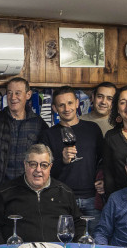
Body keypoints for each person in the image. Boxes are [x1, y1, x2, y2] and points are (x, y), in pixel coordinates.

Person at [0, 144, 85, 244]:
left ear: (50, 167)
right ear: (25, 165)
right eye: (33, 164)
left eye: (44, 165)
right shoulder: (5, 192)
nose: (38, 170)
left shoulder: (65, 192)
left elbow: (79, 222)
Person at [39, 86, 105, 233]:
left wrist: (102, 178)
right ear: (55, 108)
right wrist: (62, 161)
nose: (66, 108)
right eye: (61, 105)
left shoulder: (93, 129)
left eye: (69, 103)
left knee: (93, 244)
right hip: (61, 200)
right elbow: (43, 171)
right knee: (63, 244)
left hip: (91, 199)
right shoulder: (48, 135)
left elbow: (103, 160)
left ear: (77, 103)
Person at [0, 77, 48, 188]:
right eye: (9, 93)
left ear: (28, 95)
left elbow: (45, 159)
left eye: (18, 93)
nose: (13, 97)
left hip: (28, 189)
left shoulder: (39, 124)